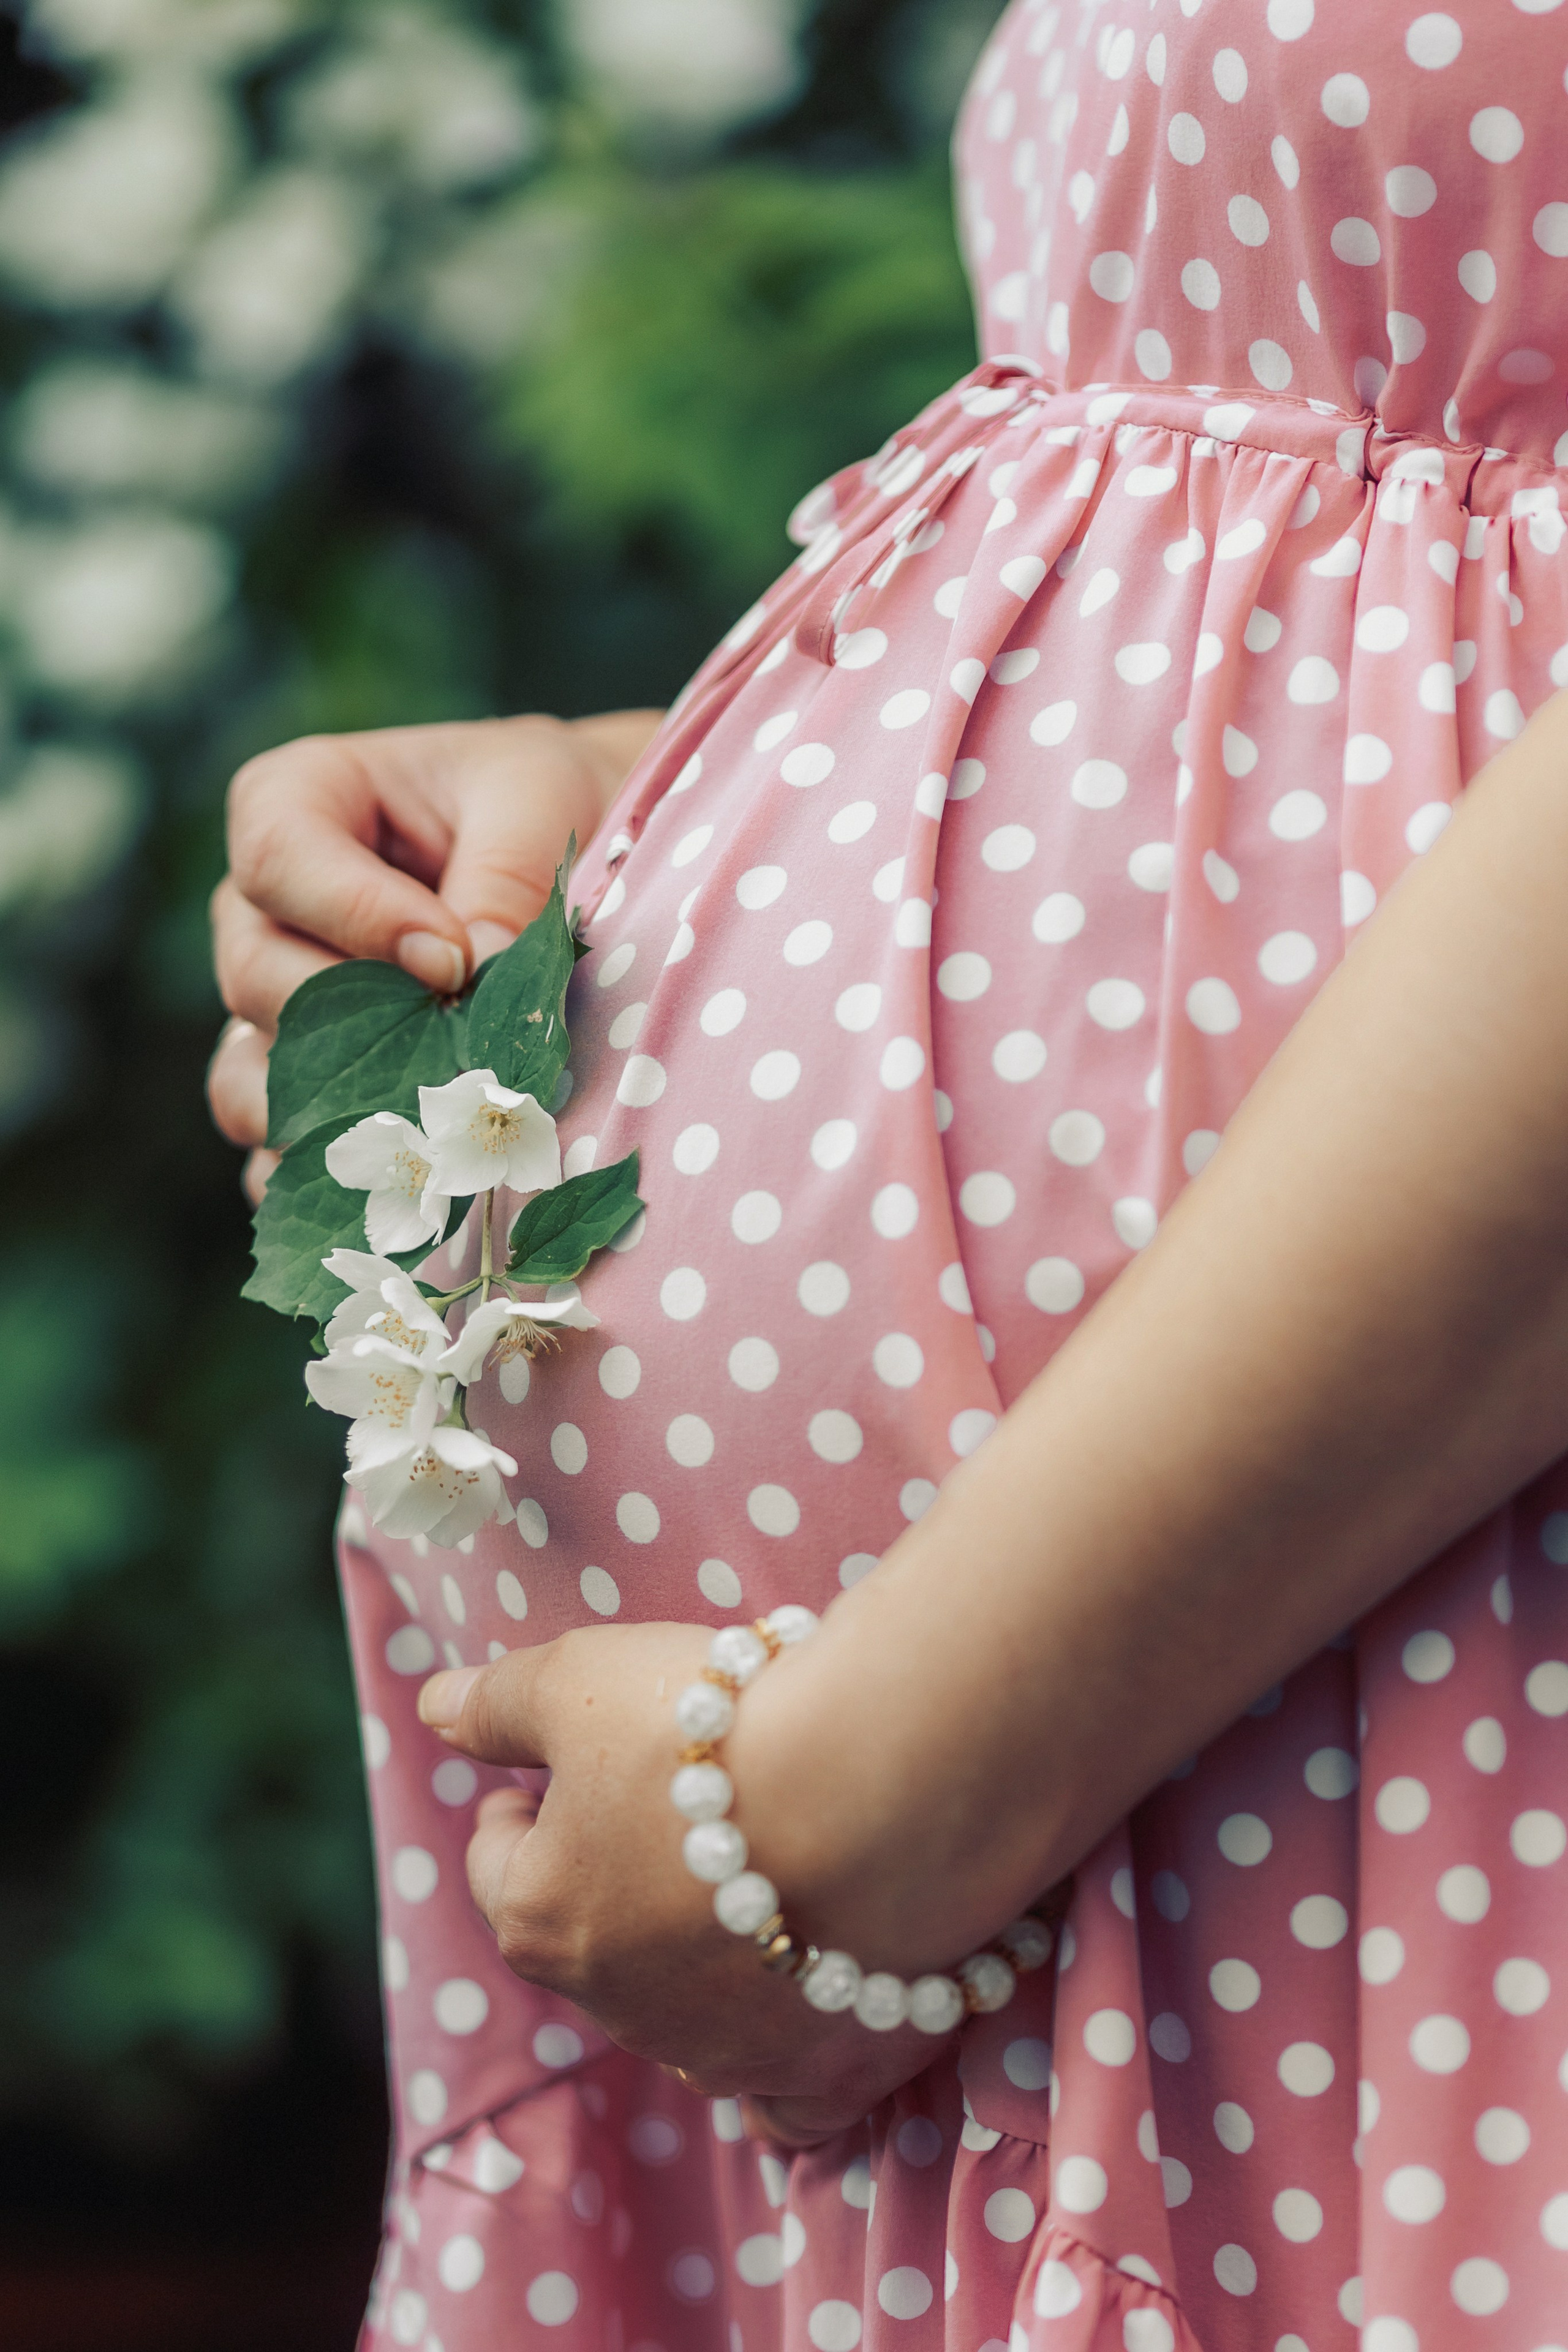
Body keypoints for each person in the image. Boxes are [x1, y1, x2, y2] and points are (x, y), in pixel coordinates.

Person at [208, 2, 1568, 2345]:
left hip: (1268, 1760)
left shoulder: (894, 1798)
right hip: (992, 1888)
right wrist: (706, 814)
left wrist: (872, 1794)